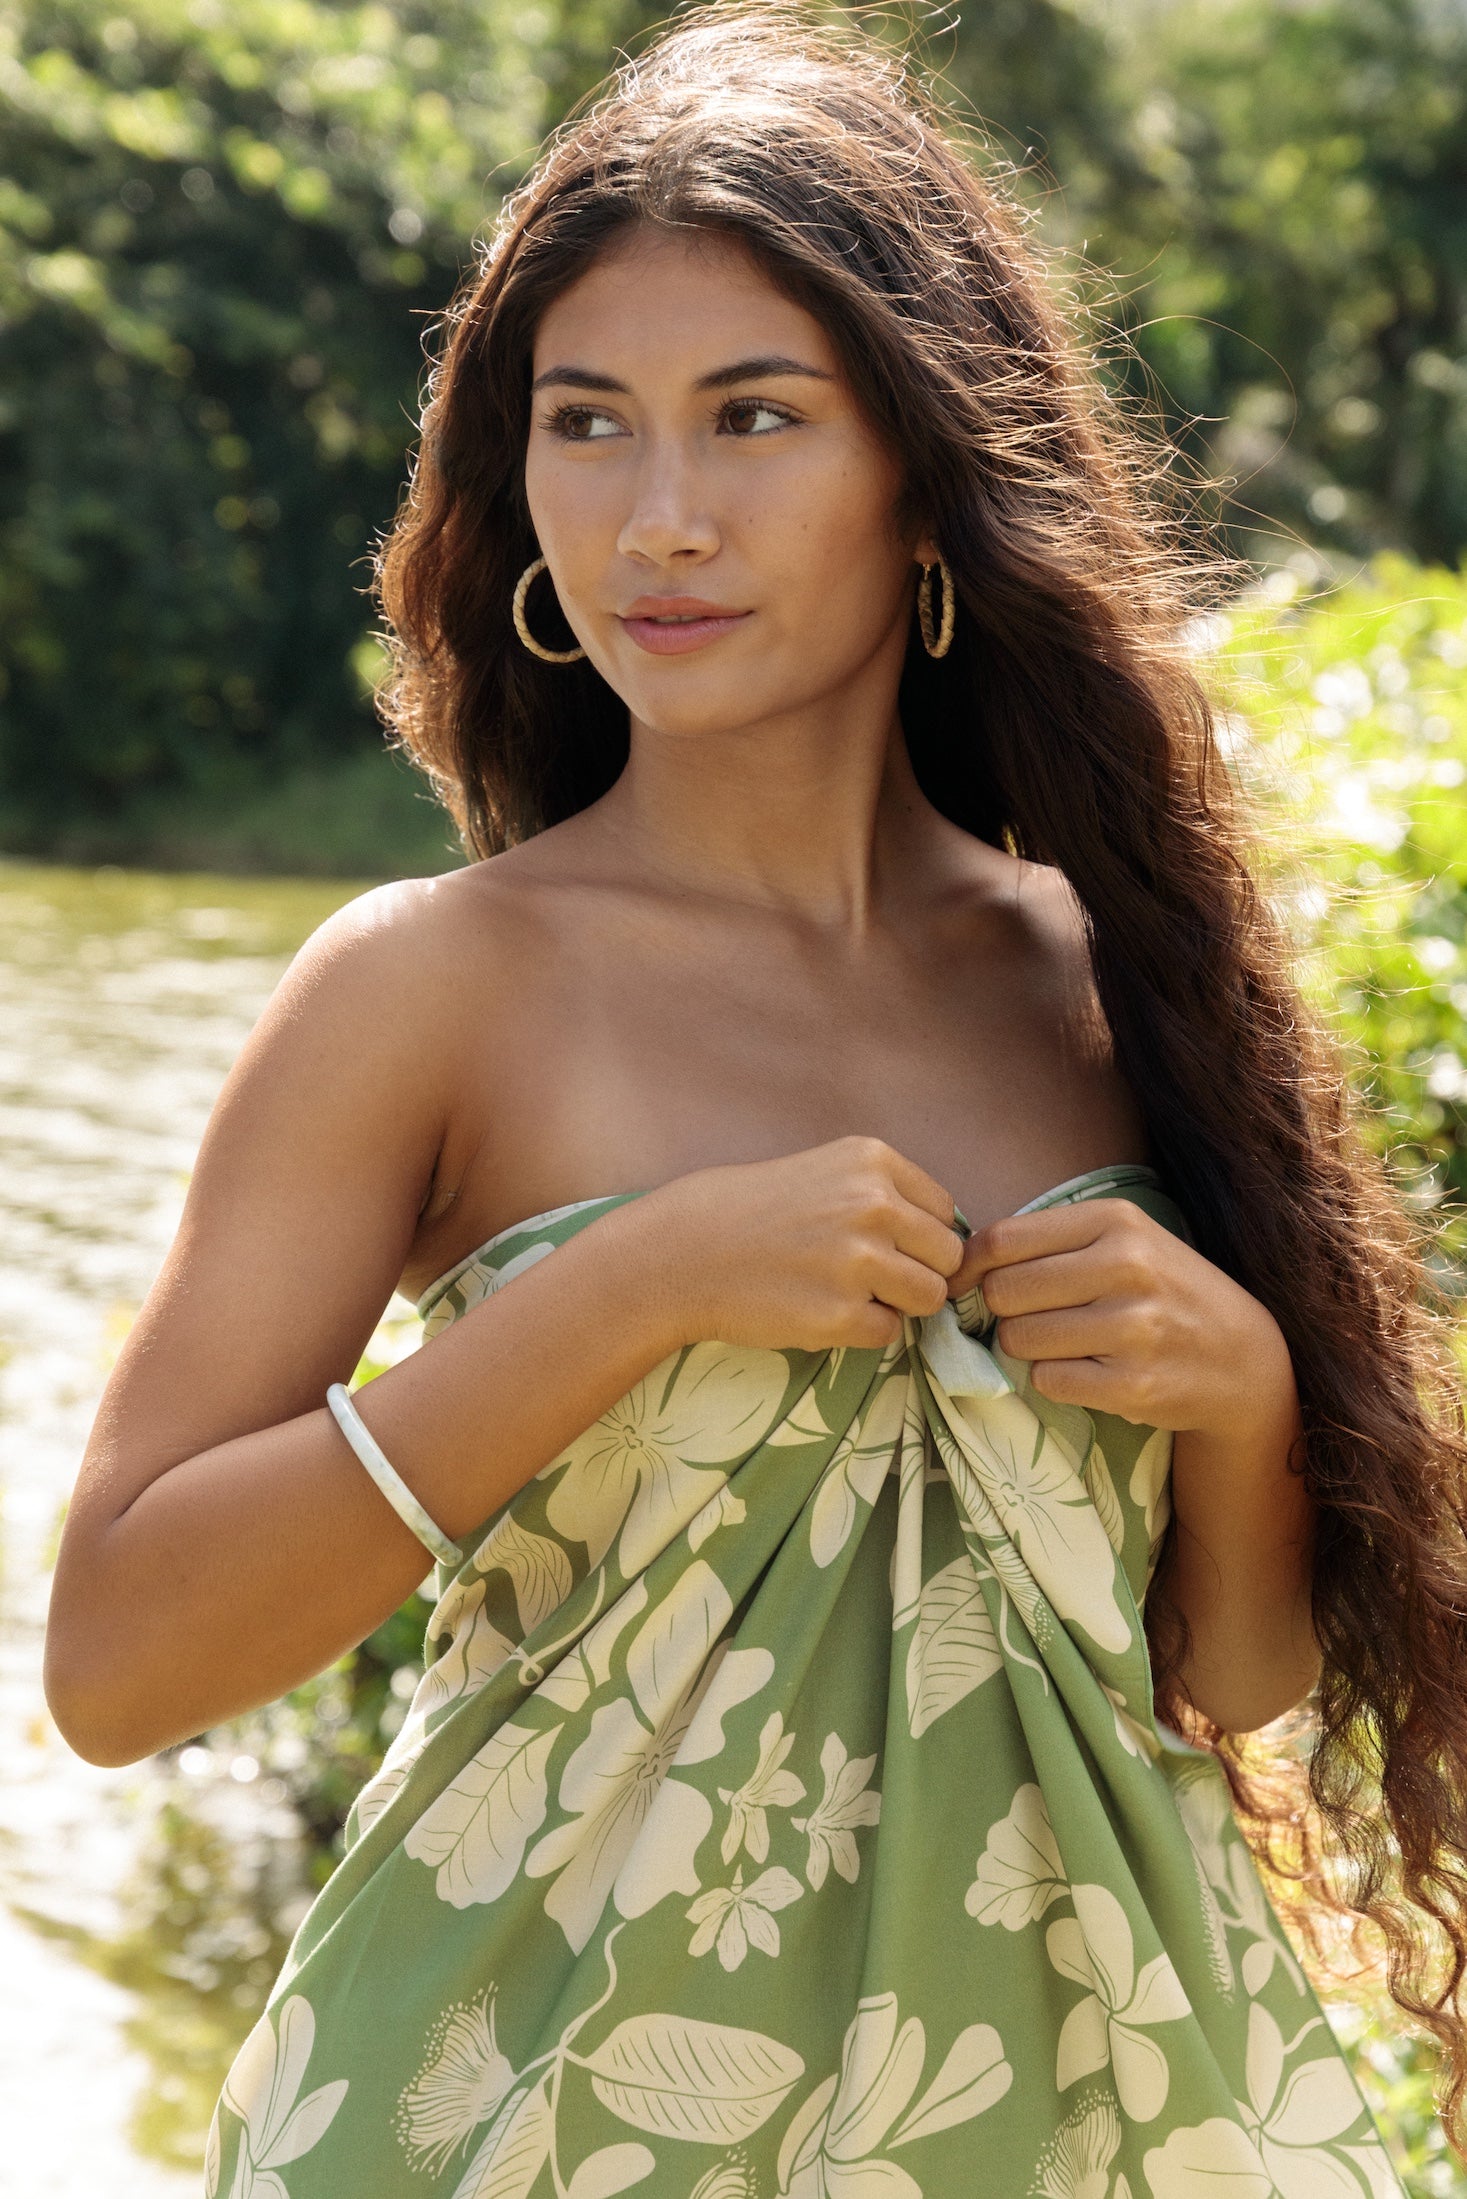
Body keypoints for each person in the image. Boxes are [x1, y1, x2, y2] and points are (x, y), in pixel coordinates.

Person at [44, 7, 1467, 2193]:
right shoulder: (429, 988)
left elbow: (1224, 1686)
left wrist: (1242, 1406)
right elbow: (120, 1662)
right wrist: (630, 1289)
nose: (660, 519)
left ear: (924, 466)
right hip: (515, 2112)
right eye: (586, 425)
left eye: (754, 416)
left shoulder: (1111, 977)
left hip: (1062, 2117)